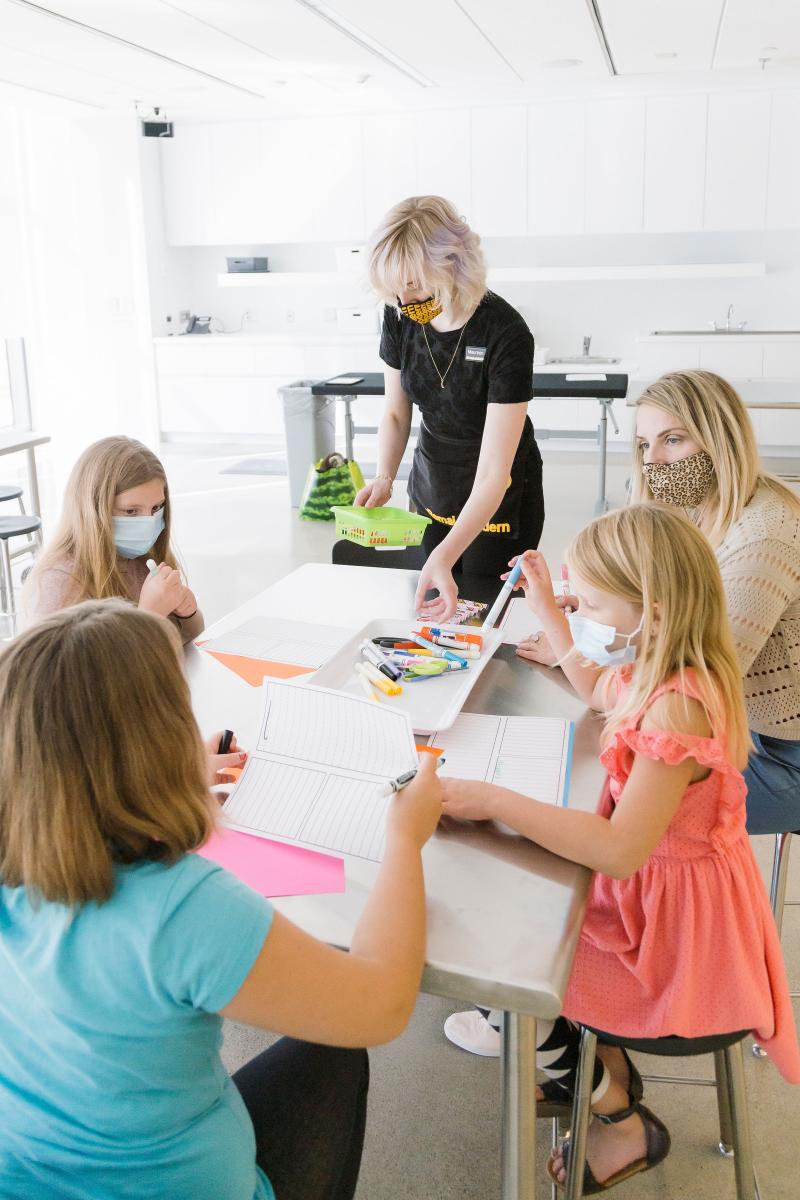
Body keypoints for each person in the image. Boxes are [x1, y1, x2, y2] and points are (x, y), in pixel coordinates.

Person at [0, 600, 442, 1200]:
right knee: (337, 1053)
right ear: (163, 733)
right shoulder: (183, 908)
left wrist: (148, 790)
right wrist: (404, 840)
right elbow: (383, 1004)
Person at [440, 505, 799, 1192]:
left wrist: (493, 799)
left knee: (508, 978)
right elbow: (598, 684)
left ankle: (618, 1114)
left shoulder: (678, 707)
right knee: (512, 943)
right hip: (659, 901)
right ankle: (600, 1073)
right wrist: (548, 608)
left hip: (675, 941)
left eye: (593, 604)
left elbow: (619, 851)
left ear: (652, 613)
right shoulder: (658, 667)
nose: (584, 616)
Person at [519, 370, 800, 836]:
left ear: (719, 438)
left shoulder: (764, 536)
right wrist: (596, 609)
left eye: (673, 439)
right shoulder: (699, 505)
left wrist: (574, 642)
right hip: (732, 728)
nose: (655, 460)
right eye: (646, 445)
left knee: (608, 797)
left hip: (777, 754)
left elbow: (685, 674)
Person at [355, 195, 544, 623]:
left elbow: (497, 472)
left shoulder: (505, 332)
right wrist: (385, 476)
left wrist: (446, 554)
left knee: (486, 616)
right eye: (394, 289)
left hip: (499, 494)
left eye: (414, 285)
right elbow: (396, 414)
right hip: (434, 480)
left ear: (453, 265)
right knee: (435, 615)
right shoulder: (400, 316)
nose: (404, 301)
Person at [22, 436, 204, 644]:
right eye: (131, 511)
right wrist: (149, 616)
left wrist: (187, 613)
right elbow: (68, 673)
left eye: (156, 508)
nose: (148, 522)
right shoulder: (60, 581)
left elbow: (186, 640)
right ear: (93, 509)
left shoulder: (144, 560)